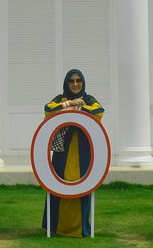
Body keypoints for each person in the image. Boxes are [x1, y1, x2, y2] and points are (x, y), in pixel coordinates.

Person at [40, 68, 105, 237]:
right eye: (71, 81)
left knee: (82, 184)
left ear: (82, 82)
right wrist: (68, 105)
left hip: (83, 151)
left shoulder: (88, 99)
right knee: (58, 184)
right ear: (67, 83)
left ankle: (80, 228)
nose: (75, 84)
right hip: (63, 152)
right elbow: (48, 109)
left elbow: (99, 112)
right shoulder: (60, 99)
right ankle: (56, 227)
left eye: (78, 81)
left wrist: (80, 108)